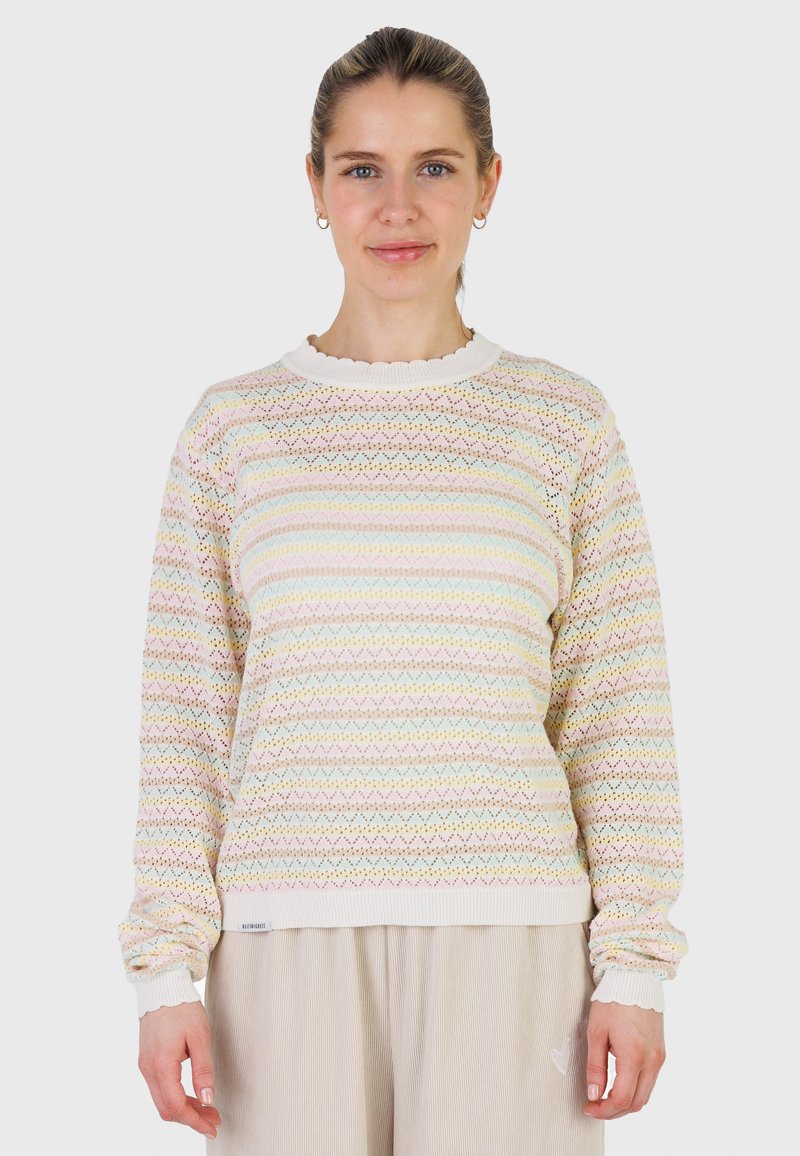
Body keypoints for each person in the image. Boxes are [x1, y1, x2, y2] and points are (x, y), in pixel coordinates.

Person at [118, 25, 689, 1156]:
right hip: (280, 939)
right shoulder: (233, 430)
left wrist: (634, 964)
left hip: (512, 937)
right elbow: (187, 721)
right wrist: (162, 970)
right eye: (360, 169)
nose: (397, 206)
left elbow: (615, 712)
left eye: (433, 166)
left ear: (488, 183)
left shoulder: (563, 422)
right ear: (315, 188)